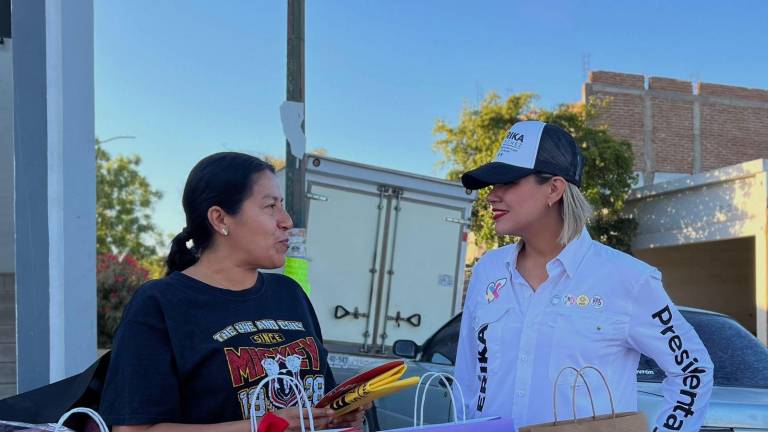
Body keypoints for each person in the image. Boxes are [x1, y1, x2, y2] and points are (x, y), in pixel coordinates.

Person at [453, 121, 713, 430]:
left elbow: (693, 371)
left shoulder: (628, 279)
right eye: (492, 185)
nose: (492, 195)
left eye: (507, 182)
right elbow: (467, 379)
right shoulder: (487, 270)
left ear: (554, 188)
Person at [100, 152, 365, 432]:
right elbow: (134, 431)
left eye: (282, 205)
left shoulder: (289, 293)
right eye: (270, 206)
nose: (286, 220)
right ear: (220, 219)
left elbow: (316, 403)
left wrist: (335, 415)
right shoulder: (159, 303)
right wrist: (262, 427)